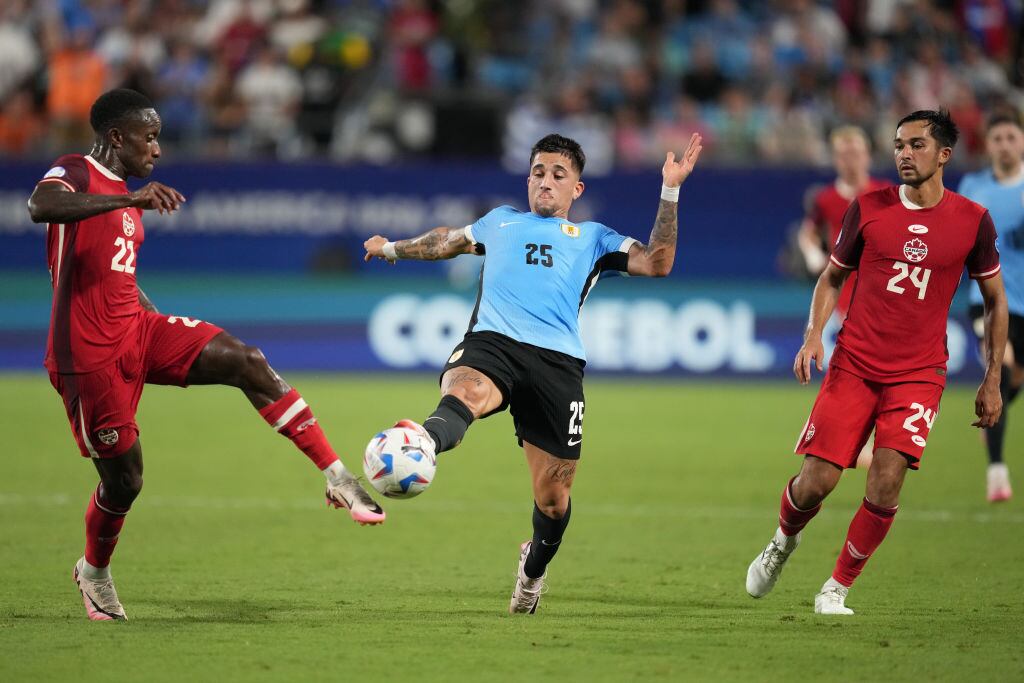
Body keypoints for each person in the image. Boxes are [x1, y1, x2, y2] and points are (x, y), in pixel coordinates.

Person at [27, 89, 384, 622]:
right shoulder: (75, 171)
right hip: (88, 357)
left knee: (247, 360)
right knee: (124, 481)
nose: (158, 150)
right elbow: (40, 206)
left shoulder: (123, 193)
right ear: (116, 137)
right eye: (149, 138)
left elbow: (118, 274)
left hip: (139, 330)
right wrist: (131, 200)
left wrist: (154, 319)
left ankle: (338, 477)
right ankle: (94, 572)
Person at [364, 132, 703, 614]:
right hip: (493, 345)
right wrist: (392, 248)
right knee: (465, 394)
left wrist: (670, 190)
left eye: (558, 175)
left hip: (557, 364)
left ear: (576, 190)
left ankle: (533, 570)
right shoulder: (500, 222)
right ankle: (421, 442)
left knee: (553, 500)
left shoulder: (595, 238)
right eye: (538, 172)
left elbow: (658, 262)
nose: (546, 181)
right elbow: (446, 242)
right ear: (528, 180)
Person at [745, 110, 1007, 615]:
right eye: (898, 145)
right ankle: (782, 540)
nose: (904, 154)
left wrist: (992, 376)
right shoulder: (868, 209)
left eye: (916, 145)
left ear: (944, 155)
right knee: (816, 481)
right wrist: (812, 336)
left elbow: (994, 299)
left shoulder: (972, 220)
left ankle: (836, 587)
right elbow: (831, 277)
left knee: (886, 480)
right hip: (855, 363)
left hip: (919, 373)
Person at [957, 112, 1024, 502]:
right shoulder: (973, 186)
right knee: (1004, 366)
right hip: (987, 300)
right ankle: (997, 473)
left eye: (1010, 137)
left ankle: (993, 416)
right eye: (996, 138)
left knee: (1013, 381)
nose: (1003, 144)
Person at [797, 126, 891, 318]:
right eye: (844, 155)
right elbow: (808, 232)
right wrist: (813, 254)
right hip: (846, 284)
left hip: (882, 280)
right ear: (836, 160)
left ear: (867, 156)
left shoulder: (885, 193)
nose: (850, 161)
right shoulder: (826, 199)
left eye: (856, 154)